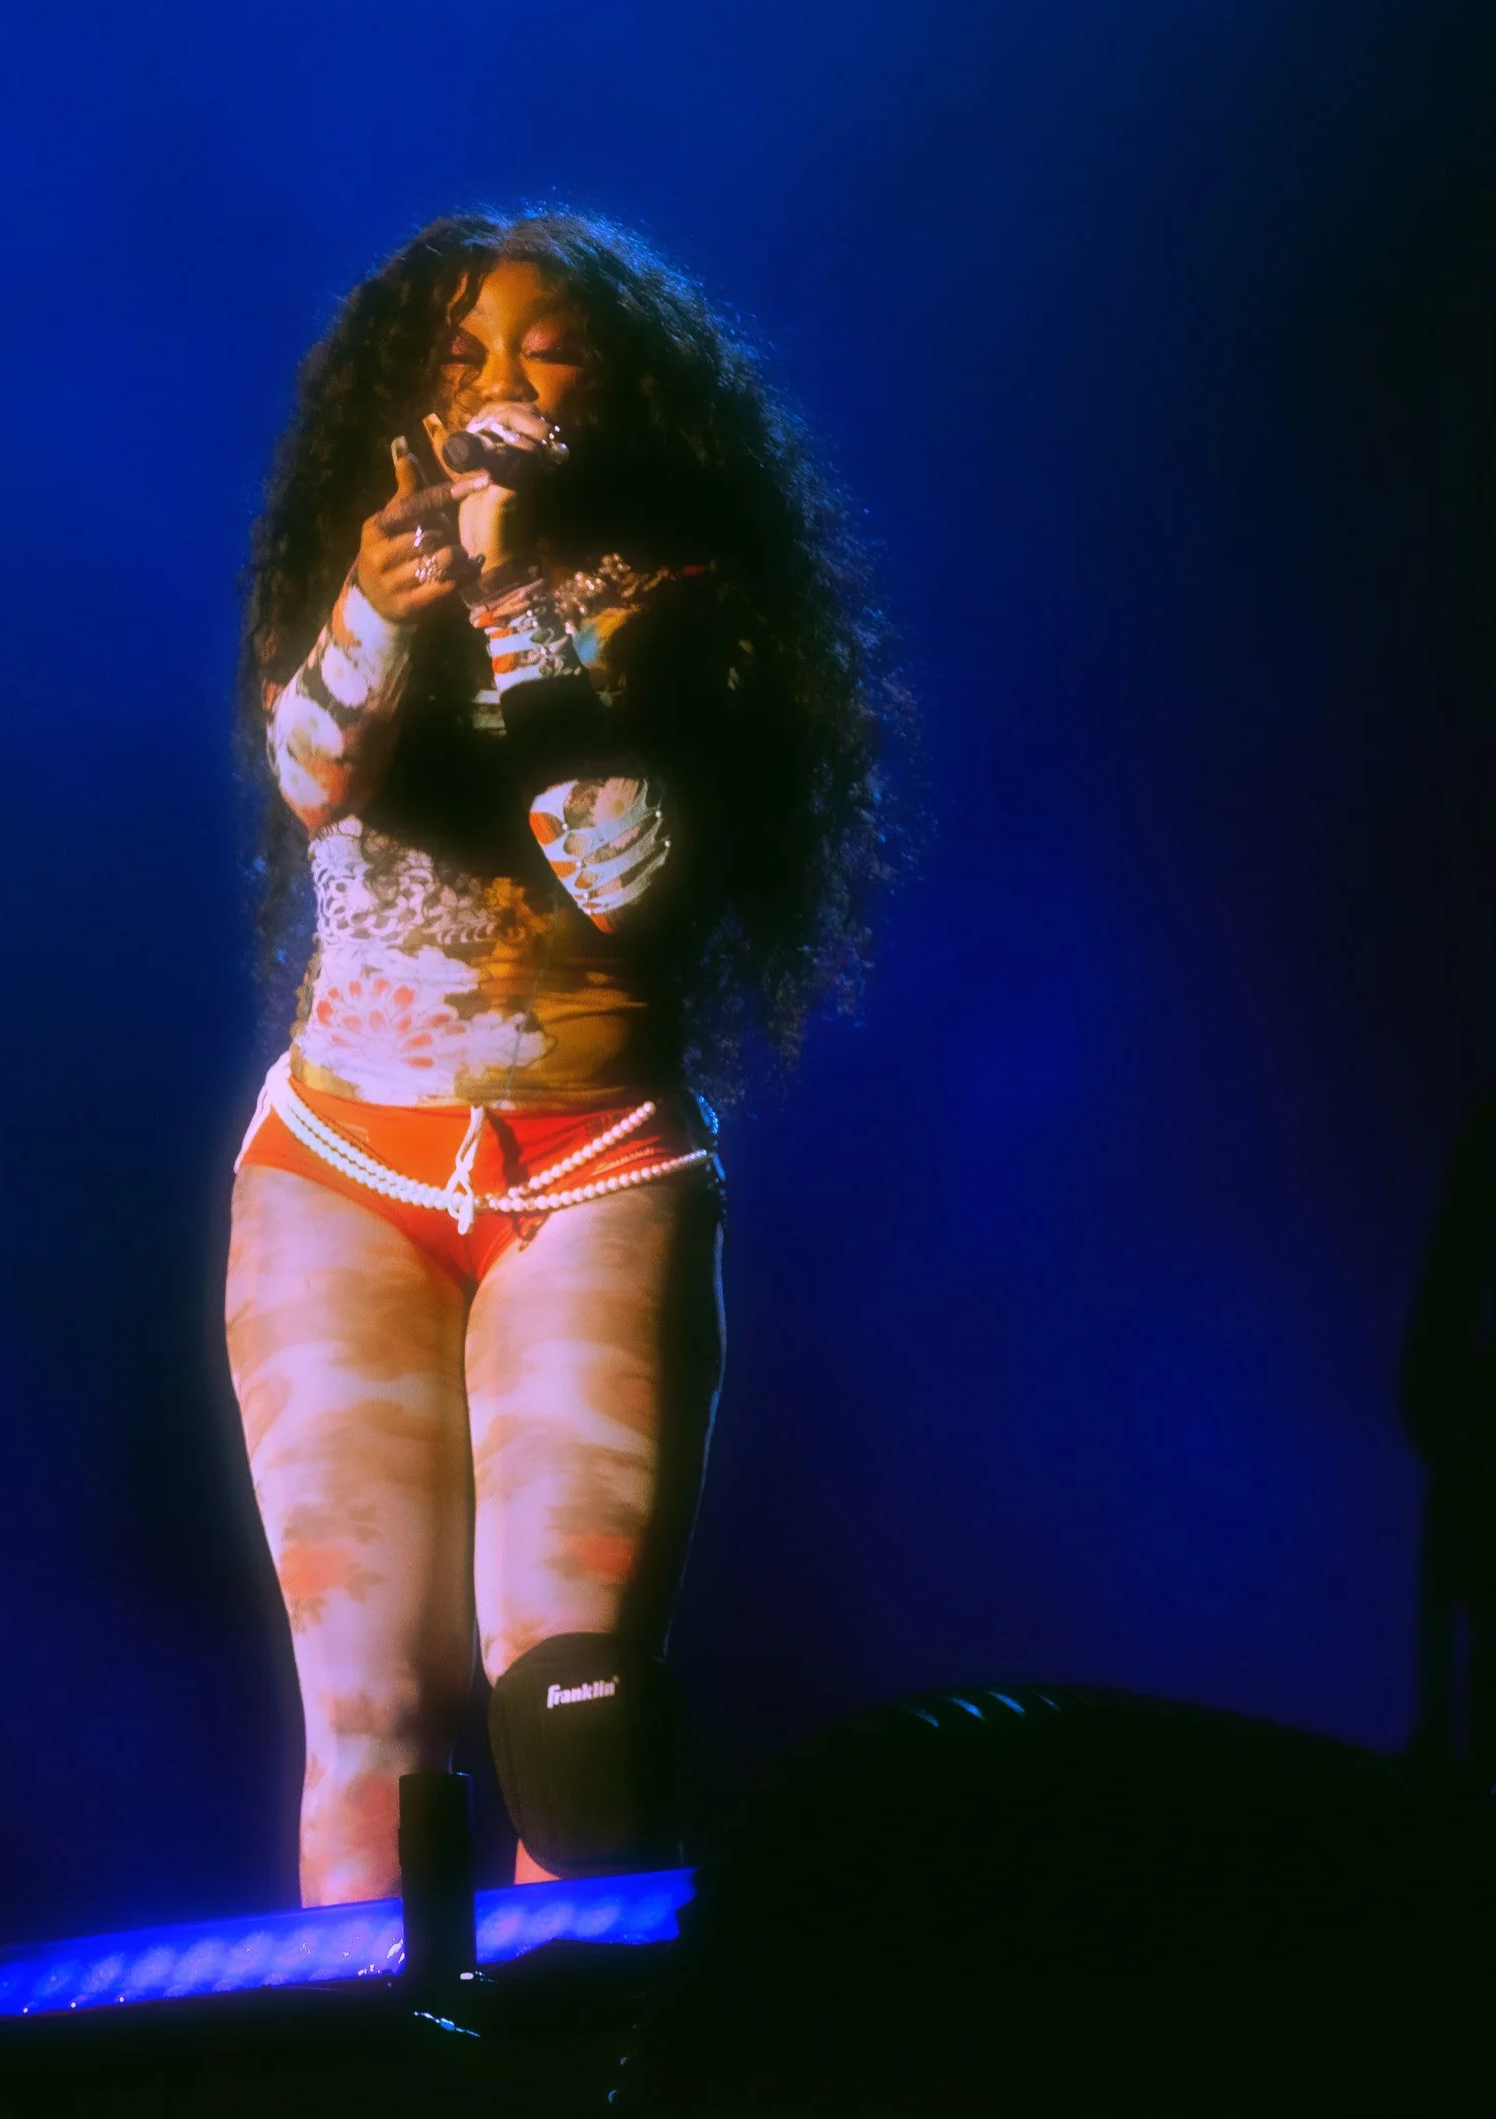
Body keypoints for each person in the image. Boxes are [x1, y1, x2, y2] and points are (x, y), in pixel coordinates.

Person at [227, 210, 898, 1905]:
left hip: (593, 1176)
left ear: (626, 392)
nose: (503, 383)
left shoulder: (693, 613)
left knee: (574, 1729)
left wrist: (520, 593)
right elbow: (308, 770)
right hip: (344, 1172)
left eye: (552, 349)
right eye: (463, 355)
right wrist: (386, 606)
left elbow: (622, 873)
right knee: (368, 1714)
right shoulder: (346, 567)